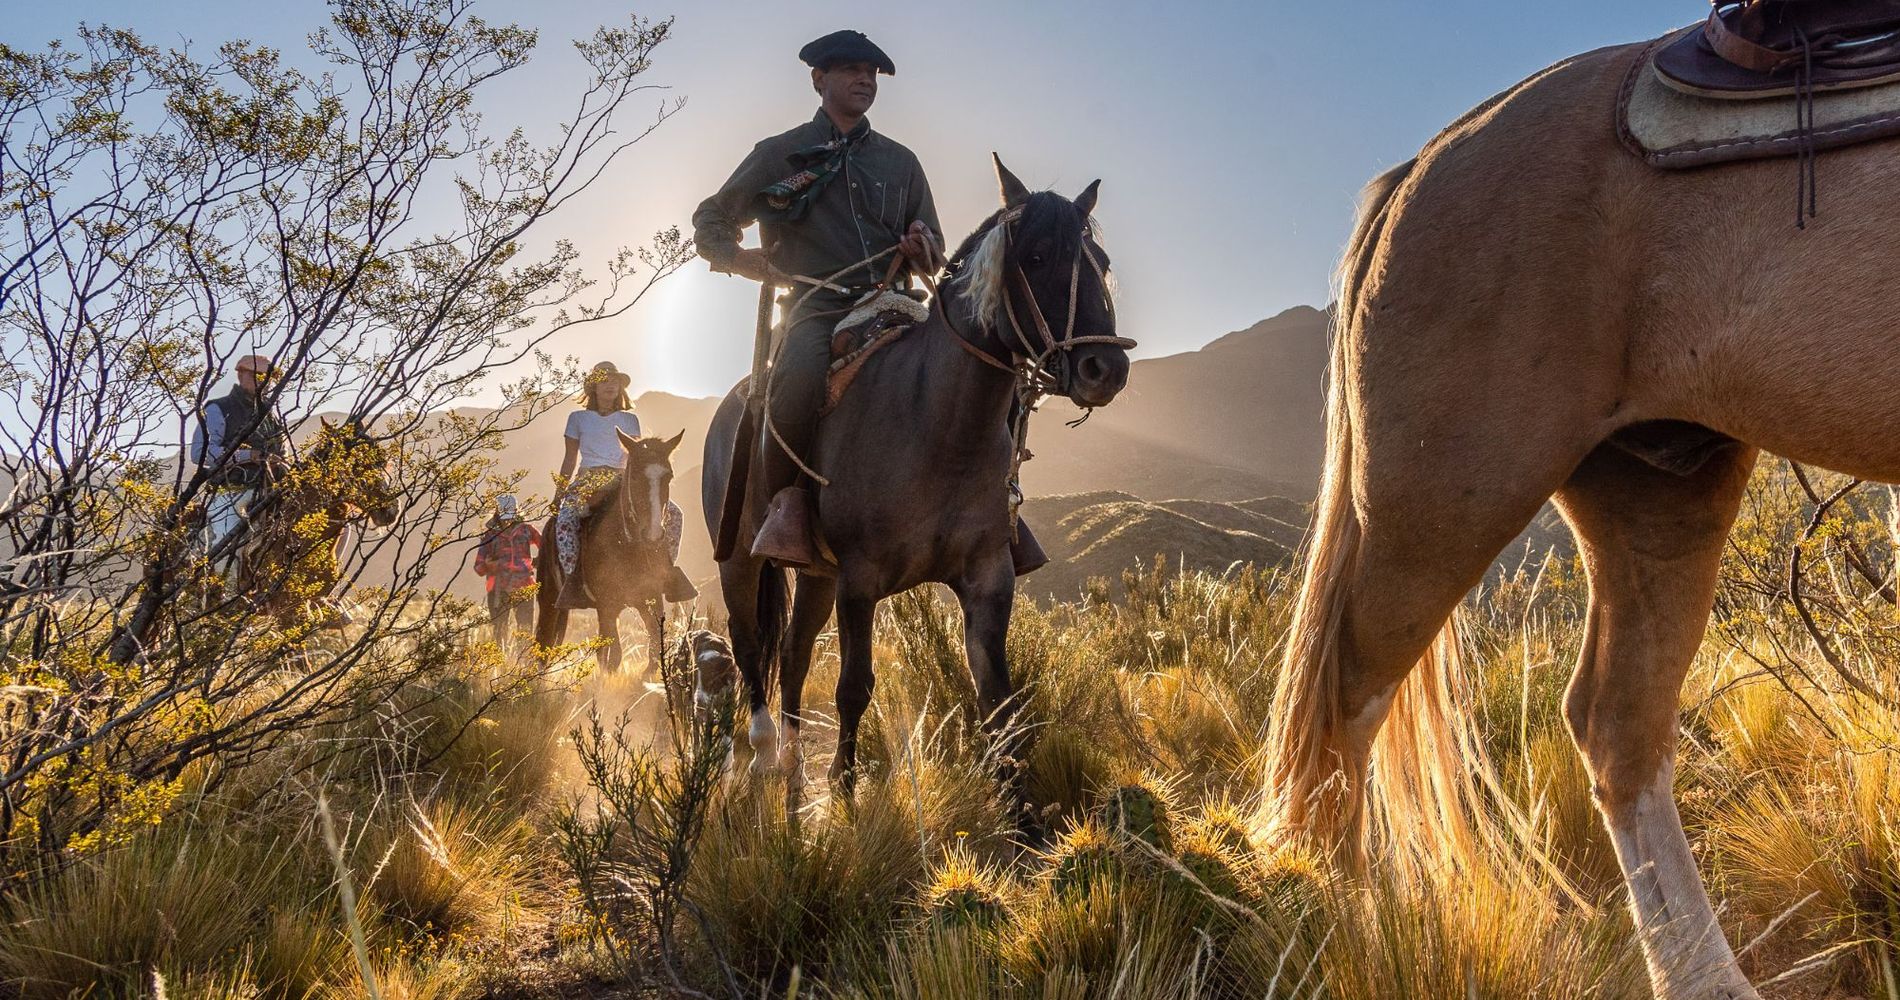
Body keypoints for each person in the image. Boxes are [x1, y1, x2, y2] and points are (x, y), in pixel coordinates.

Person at [692, 29, 943, 570]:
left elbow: (934, 251)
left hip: (897, 306)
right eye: (852, 70)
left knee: (971, 363)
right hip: (816, 307)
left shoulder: (902, 164)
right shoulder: (778, 154)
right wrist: (741, 260)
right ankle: (789, 507)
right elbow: (710, 219)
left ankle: (992, 507)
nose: (864, 80)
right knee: (799, 380)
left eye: (872, 73)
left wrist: (923, 246)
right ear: (818, 79)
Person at [553, 361, 693, 608]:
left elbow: (635, 458)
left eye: (615, 381)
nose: (611, 385)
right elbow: (569, 458)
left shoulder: (630, 420)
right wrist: (559, 493)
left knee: (674, 514)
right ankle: (574, 578)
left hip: (623, 480)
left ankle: (667, 570)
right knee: (566, 519)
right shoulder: (577, 418)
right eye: (605, 380)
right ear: (593, 386)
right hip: (589, 479)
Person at [190, 354, 288, 566]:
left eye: (267, 377)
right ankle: (226, 593)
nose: (263, 381)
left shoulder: (272, 418)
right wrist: (248, 456)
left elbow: (283, 455)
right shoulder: (218, 408)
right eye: (257, 375)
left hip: (270, 495)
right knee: (228, 555)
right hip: (231, 492)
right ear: (241, 374)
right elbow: (199, 453)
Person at [473, 494, 539, 650]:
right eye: (504, 516)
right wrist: (490, 566)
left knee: (525, 631)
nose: (507, 520)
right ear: (497, 513)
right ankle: (500, 667)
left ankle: (523, 666)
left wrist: (536, 562)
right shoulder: (489, 535)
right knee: (499, 633)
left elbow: (546, 546)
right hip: (498, 589)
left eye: (510, 516)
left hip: (525, 587)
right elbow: (478, 567)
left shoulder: (527, 530)